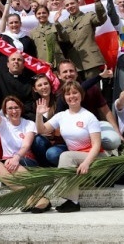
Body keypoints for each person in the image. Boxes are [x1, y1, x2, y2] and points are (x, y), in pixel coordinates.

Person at [36, 81, 107, 213]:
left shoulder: (89, 117)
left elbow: (97, 145)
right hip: (76, 158)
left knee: (65, 156)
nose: (72, 96)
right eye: (68, 94)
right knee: (67, 157)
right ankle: (72, 201)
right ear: (64, 97)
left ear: (82, 95)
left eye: (75, 92)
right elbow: (41, 130)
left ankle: (68, 198)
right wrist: (39, 115)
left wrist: (86, 163)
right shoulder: (61, 116)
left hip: (96, 159)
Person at [0, 89, 51, 213]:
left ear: (21, 108)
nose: (14, 111)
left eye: (16, 107)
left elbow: (26, 145)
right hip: (8, 163)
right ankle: (32, 197)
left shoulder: (29, 124)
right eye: (10, 109)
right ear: (5, 112)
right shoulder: (3, 124)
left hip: (26, 161)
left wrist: (16, 158)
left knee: (14, 165)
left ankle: (36, 198)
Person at [54, 0, 108, 80]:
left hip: (91, 60)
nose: (70, 6)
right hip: (75, 64)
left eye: (72, 3)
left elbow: (101, 19)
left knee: (93, 91)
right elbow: (64, 39)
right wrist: (56, 23)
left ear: (78, 3)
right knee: (78, 91)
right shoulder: (63, 24)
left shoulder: (88, 16)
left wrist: (97, 2)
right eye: (67, 5)